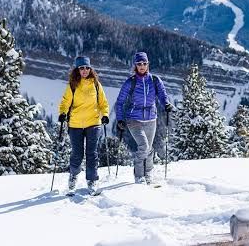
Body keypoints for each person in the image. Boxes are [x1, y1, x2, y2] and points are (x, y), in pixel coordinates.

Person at [114, 51, 172, 184]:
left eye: (144, 63)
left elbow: (162, 95)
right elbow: (120, 102)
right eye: (139, 64)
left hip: (151, 118)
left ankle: (148, 173)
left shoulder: (155, 80)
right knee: (144, 146)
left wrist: (166, 104)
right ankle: (139, 175)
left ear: (148, 65)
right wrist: (120, 119)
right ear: (135, 65)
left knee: (149, 148)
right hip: (134, 119)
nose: (142, 66)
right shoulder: (130, 82)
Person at [58, 56, 110, 195]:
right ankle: (73, 176)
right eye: (82, 68)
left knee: (92, 154)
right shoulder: (72, 85)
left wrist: (105, 114)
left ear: (90, 68)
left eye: (87, 67)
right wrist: (63, 113)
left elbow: (103, 103)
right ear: (77, 69)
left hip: (93, 123)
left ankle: (92, 181)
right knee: (77, 154)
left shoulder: (96, 84)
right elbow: (65, 102)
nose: (85, 70)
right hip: (75, 124)